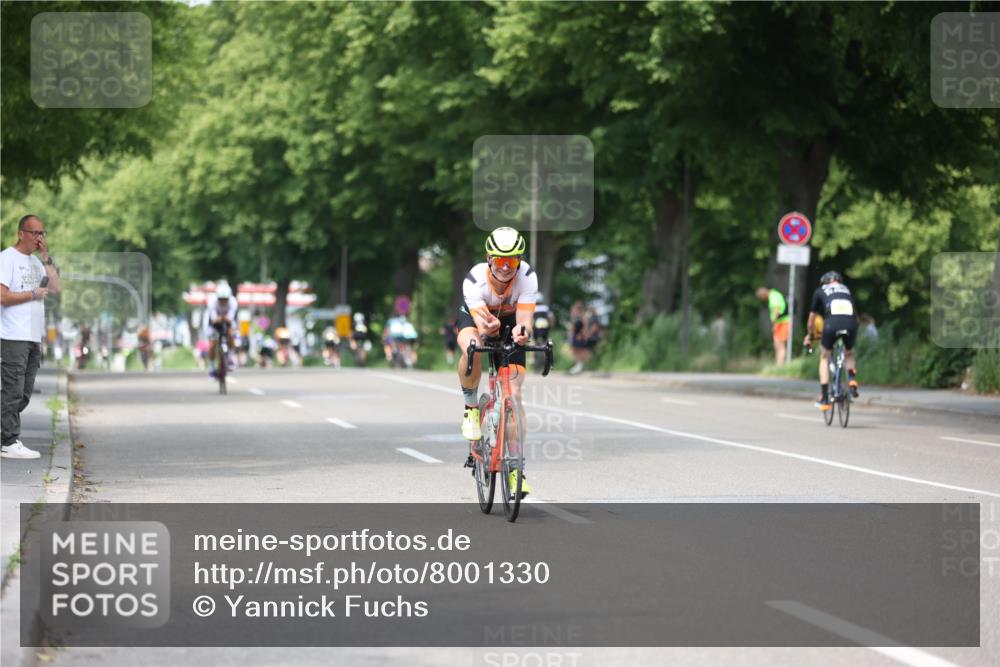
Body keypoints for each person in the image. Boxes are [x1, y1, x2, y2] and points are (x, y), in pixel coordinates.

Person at [456, 227, 537, 497]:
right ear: (488, 258)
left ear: (520, 260)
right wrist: (487, 327)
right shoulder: (474, 279)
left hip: (510, 320)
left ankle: (515, 469)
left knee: (513, 394)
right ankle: (471, 407)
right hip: (478, 317)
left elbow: (525, 322)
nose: (505, 267)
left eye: (512, 260)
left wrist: (522, 333)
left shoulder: (526, 277)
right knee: (472, 346)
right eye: (500, 260)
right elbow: (481, 324)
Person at [1, 214, 61, 459]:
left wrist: (47, 258)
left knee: (23, 394)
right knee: (12, 391)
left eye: (43, 233)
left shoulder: (37, 264)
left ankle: (6, 436)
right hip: (13, 335)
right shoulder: (6, 259)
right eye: (35, 233)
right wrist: (32, 294)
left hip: (33, 337)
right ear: (21, 233)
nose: (40, 238)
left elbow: (56, 287)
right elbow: (3, 297)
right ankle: (8, 441)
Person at [803, 271, 860, 410]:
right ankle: (852, 381)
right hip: (851, 323)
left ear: (825, 281)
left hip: (831, 324)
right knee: (849, 353)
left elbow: (811, 321)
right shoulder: (846, 289)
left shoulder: (820, 290)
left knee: (824, 357)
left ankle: (824, 398)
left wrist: (810, 335)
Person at [202, 282, 237, 378]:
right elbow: (214, 320)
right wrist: (220, 318)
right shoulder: (212, 302)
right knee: (212, 345)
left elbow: (230, 318)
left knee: (230, 334)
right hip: (213, 324)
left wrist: (222, 318)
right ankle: (212, 368)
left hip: (226, 321)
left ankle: (230, 357)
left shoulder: (233, 302)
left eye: (225, 299)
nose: (223, 301)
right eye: (220, 299)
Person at [756, 286, 789, 365]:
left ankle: (780, 365)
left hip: (781, 323)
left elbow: (776, 311)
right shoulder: (775, 294)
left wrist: (774, 324)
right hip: (781, 322)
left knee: (780, 345)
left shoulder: (773, 297)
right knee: (777, 345)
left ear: (763, 295)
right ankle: (778, 364)